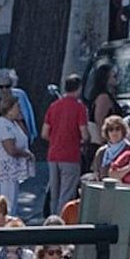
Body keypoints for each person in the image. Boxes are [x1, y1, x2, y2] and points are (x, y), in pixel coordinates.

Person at [43, 73, 89, 212]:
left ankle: (52, 222)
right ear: (79, 88)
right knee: (67, 194)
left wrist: (57, 139)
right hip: (70, 155)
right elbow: (85, 134)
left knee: (54, 194)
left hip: (53, 155)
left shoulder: (54, 106)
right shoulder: (79, 107)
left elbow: (44, 133)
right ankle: (62, 225)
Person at [0, 93, 36, 218]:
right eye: (17, 107)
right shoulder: (3, 124)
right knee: (8, 196)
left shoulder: (14, 123)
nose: (19, 109)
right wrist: (25, 154)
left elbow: (25, 136)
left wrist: (20, 119)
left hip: (15, 167)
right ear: (9, 109)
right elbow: (10, 149)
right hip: (7, 166)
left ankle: (11, 215)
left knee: (14, 195)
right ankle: (6, 218)